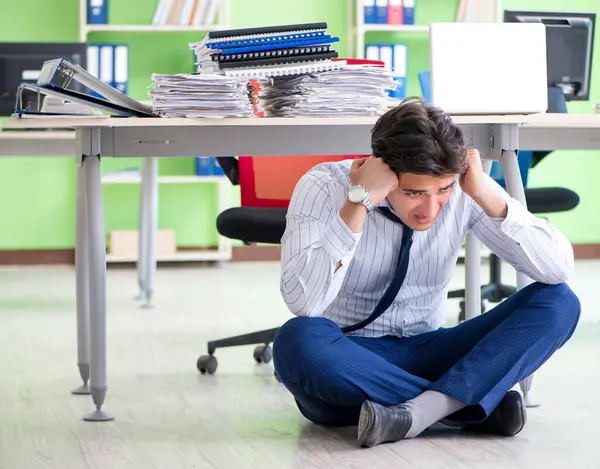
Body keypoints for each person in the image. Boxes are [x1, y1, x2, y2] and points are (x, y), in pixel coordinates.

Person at [272, 97, 580, 448]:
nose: (429, 209)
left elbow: (558, 268)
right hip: (351, 363)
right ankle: (464, 405)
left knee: (558, 302)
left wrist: (484, 194)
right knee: (296, 342)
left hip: (433, 350)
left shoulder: (464, 186)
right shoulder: (324, 186)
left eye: (443, 190)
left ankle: (416, 413)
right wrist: (359, 201)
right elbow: (304, 303)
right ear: (384, 172)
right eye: (414, 192)